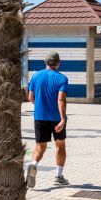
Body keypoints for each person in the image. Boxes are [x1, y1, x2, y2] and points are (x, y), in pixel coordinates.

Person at [25, 52, 69, 187]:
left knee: (40, 146)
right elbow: (61, 99)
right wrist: (62, 119)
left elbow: (30, 98)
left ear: (45, 62)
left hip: (39, 117)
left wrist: (40, 105)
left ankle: (33, 164)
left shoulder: (36, 76)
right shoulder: (62, 78)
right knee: (60, 145)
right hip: (56, 118)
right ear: (58, 63)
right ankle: (58, 175)